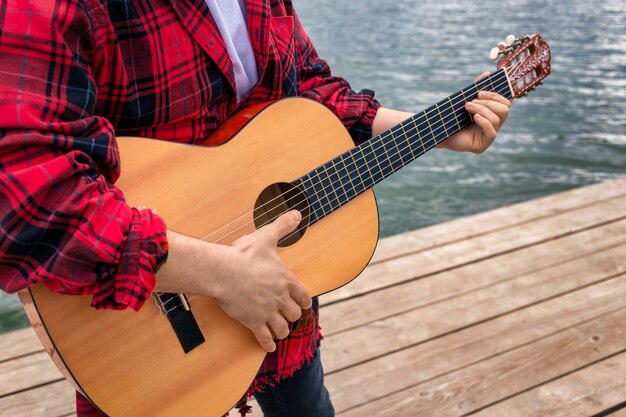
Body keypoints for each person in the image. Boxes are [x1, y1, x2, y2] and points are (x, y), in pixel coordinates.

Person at [0, 0, 511, 416]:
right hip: (145, 341)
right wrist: (222, 274)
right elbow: (29, 202)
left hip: (282, 307)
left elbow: (306, 86)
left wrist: (435, 129)